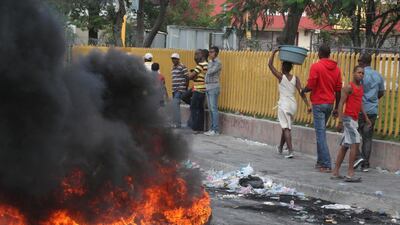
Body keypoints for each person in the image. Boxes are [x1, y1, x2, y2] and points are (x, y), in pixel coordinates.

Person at [302, 44, 342, 172]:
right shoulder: (337, 69)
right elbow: (338, 89)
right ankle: (320, 162)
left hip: (318, 104)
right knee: (321, 132)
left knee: (320, 134)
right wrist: (336, 108)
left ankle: (326, 164)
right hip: (330, 104)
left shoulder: (316, 66)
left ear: (319, 53)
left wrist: (304, 90)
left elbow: (311, 84)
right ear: (329, 54)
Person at [268, 49, 311, 158]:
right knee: (285, 126)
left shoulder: (281, 77)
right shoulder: (296, 78)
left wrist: (274, 52)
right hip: (292, 105)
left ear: (282, 68)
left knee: (286, 128)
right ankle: (281, 147)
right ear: (291, 68)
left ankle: (291, 151)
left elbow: (270, 65)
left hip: (284, 104)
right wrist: (307, 105)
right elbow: (301, 92)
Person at [331, 66, 371, 182]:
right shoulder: (348, 87)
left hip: (354, 120)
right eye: (359, 72)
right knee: (356, 142)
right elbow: (340, 103)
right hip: (348, 119)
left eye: (362, 73)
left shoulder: (360, 88)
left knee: (344, 146)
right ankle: (350, 173)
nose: (361, 75)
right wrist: (340, 121)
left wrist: (366, 117)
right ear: (353, 73)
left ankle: (335, 172)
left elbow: (360, 104)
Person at [353, 53, 385, 172]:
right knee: (367, 138)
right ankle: (365, 164)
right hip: (372, 110)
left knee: (353, 135)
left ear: (362, 62)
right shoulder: (378, 75)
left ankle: (359, 157)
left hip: (360, 110)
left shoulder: (361, 75)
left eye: (359, 60)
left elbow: (356, 90)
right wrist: (373, 99)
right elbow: (381, 92)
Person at [187, 49, 208, 133]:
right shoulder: (207, 64)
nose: (195, 56)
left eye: (197, 54)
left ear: (202, 55)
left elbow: (191, 76)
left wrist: (189, 75)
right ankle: (200, 128)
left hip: (198, 89)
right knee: (200, 109)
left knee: (193, 108)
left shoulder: (200, 65)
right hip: (203, 90)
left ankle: (194, 127)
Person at [204, 46, 222, 136]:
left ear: (216, 53)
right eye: (209, 52)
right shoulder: (210, 62)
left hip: (214, 86)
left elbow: (210, 71)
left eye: (212, 52)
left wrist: (207, 68)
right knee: (210, 109)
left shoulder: (218, 62)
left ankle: (216, 130)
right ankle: (211, 128)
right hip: (208, 86)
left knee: (214, 109)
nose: (210, 54)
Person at [170, 53, 189, 128]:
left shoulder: (182, 66)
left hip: (180, 89)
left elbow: (187, 77)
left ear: (178, 59)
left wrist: (185, 88)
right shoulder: (173, 67)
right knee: (176, 106)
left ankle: (177, 123)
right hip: (174, 89)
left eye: (174, 58)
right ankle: (176, 123)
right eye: (172, 59)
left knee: (175, 104)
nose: (173, 60)